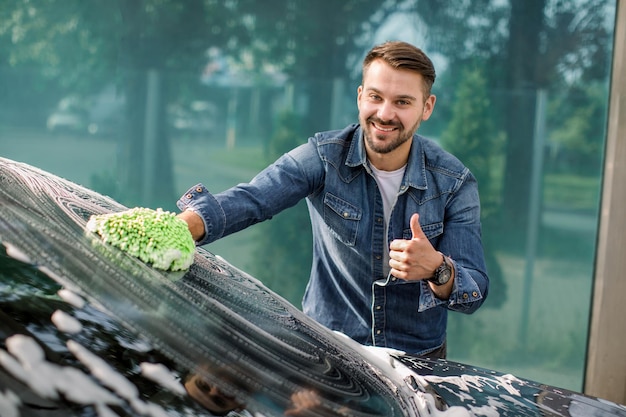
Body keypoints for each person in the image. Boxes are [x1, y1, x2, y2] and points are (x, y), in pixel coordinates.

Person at [176, 40, 489, 359]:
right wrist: (179, 229)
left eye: (402, 102)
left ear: (427, 107)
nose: (384, 113)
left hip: (418, 362)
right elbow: (255, 197)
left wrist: (438, 268)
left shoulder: (455, 182)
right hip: (327, 351)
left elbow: (474, 289)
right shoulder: (323, 157)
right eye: (375, 97)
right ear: (360, 96)